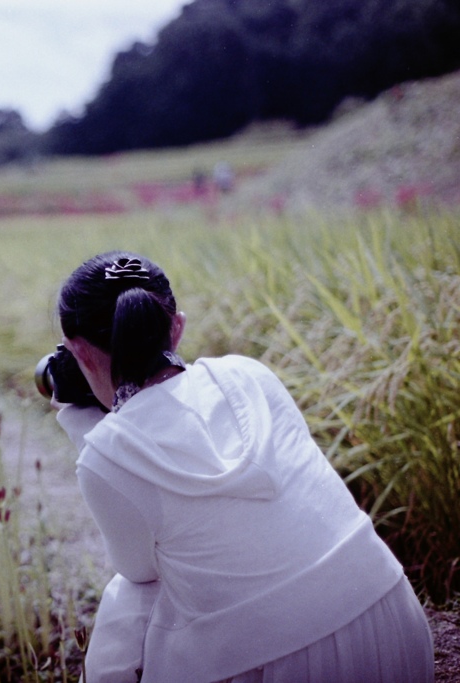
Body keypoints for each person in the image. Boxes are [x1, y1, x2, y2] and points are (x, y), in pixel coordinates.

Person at [51, 251, 434, 682]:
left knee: (140, 594)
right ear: (177, 327)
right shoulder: (249, 375)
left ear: (78, 353)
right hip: (393, 623)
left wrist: (95, 433)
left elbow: (141, 573)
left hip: (284, 664)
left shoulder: (104, 457)